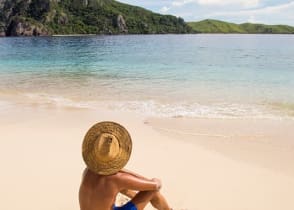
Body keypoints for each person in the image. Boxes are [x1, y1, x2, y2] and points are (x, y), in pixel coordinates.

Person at [79, 121, 171, 210]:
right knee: (153, 191)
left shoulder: (88, 171)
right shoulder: (118, 179)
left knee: (122, 189)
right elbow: (156, 185)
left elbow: (111, 185)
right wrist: (153, 181)